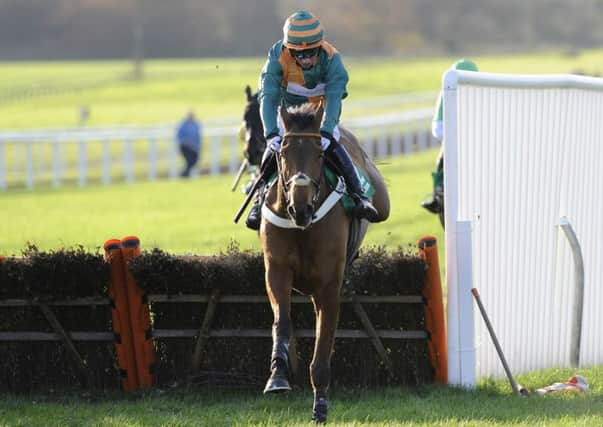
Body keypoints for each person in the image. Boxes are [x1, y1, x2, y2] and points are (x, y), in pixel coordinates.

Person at [245, 10, 378, 230]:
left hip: (320, 113)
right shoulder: (276, 58)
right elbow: (268, 98)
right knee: (273, 149)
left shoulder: (333, 60)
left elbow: (334, 99)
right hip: (287, 114)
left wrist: (326, 130)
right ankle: (259, 200)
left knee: (333, 144)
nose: (305, 58)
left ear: (320, 46)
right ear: (289, 49)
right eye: (299, 54)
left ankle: (359, 196)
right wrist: (271, 133)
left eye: (311, 52)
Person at [421, 58, 479, 215]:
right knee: (444, 154)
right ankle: (438, 194)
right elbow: (438, 127)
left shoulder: (480, 91)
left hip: (475, 134)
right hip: (450, 132)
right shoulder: (447, 90)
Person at [176, 111, 202, 178]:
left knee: (193, 161)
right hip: (185, 146)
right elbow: (179, 135)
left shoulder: (196, 124)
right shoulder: (183, 125)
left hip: (194, 147)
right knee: (189, 161)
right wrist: (186, 141)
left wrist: (198, 146)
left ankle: (184, 174)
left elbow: (198, 136)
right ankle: (185, 175)